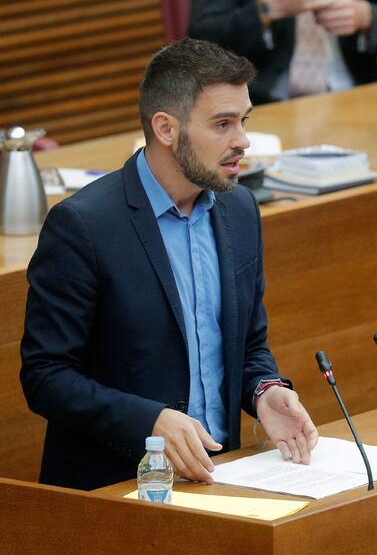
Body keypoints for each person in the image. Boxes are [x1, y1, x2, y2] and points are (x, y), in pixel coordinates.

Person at [20, 38, 318, 491]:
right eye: (223, 124)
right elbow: (46, 376)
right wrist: (150, 422)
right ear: (165, 128)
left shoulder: (238, 210)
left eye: (243, 121)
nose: (242, 141)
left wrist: (264, 392)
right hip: (114, 491)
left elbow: (248, 344)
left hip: (220, 478)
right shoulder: (83, 225)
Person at [189, 0, 377, 104]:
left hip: (358, 100)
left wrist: (367, 17)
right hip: (261, 105)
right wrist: (266, 9)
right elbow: (201, 36)